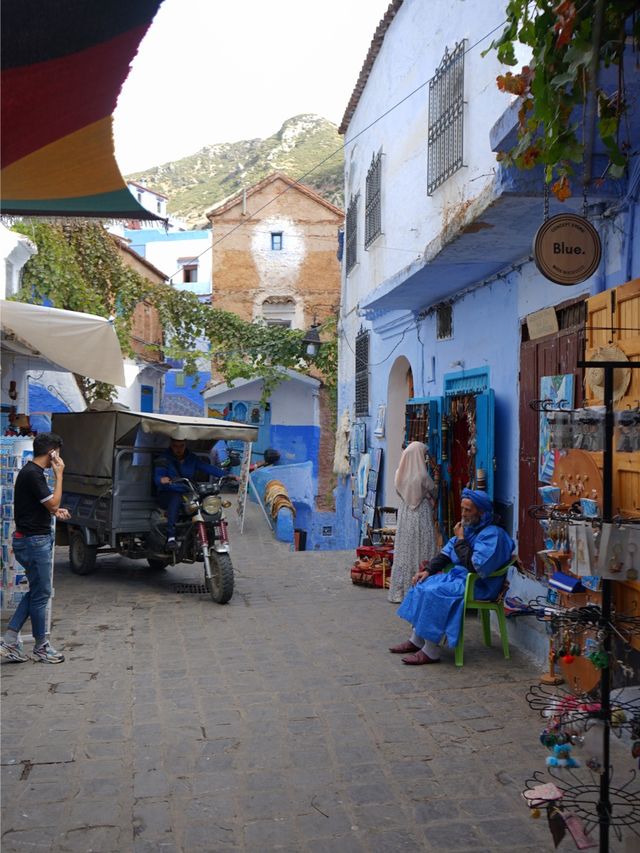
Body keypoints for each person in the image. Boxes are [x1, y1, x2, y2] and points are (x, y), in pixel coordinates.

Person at [389, 488, 515, 665]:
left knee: (435, 592)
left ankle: (431, 651)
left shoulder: (494, 535)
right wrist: (428, 571)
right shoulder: (469, 528)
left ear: (482, 511)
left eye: (468, 510)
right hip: (459, 579)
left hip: (480, 585)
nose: (463, 514)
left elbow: (474, 566)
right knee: (423, 583)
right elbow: (446, 554)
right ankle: (417, 640)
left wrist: (462, 539)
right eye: (462, 509)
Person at [0, 433, 70, 664]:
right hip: (34, 542)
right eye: (57, 453)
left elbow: (44, 505)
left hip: (31, 539)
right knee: (41, 595)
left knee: (37, 592)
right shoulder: (33, 474)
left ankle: (10, 640)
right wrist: (60, 475)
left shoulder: (33, 473)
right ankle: (41, 647)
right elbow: (53, 502)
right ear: (52, 452)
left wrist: (54, 511)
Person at [387, 441, 439, 604]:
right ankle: (422, 588)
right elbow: (434, 491)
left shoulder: (398, 474)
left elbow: (398, 490)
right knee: (423, 547)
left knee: (404, 549)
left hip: (405, 514)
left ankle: (400, 591)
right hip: (421, 513)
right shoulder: (423, 475)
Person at [154, 438, 228, 549]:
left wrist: (226, 475)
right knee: (175, 499)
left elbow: (207, 467)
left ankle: (204, 531)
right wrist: (161, 479)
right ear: (171, 445)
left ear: (185, 445)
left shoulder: (191, 458)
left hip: (186, 491)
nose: (178, 449)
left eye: (181, 446)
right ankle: (171, 537)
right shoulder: (164, 458)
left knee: (204, 500)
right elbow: (157, 476)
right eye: (175, 446)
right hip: (167, 492)